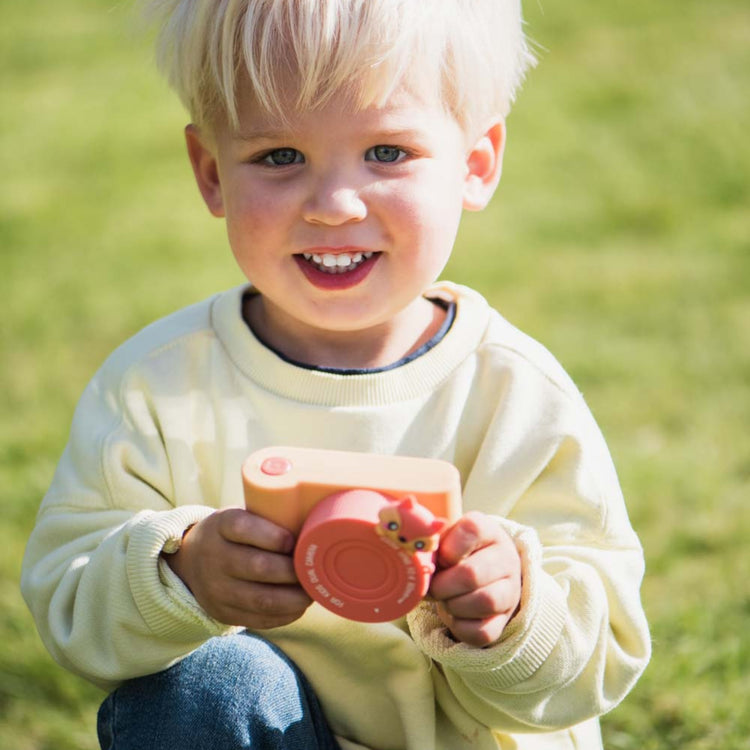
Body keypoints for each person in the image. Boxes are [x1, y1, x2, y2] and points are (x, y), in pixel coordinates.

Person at [21, 1, 651, 748]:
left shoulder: (514, 396)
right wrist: (179, 572)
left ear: (475, 165)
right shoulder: (158, 386)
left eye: (387, 152)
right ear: (211, 171)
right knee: (200, 688)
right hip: (258, 727)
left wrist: (515, 614)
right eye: (280, 156)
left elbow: (600, 659)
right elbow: (69, 600)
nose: (333, 205)